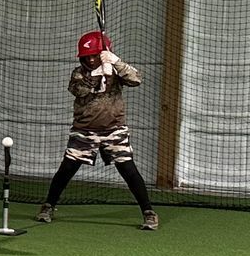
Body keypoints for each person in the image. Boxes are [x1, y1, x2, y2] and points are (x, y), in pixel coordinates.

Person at [36, 31, 159, 230]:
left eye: (95, 55)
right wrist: (98, 74)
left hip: (114, 130)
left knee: (128, 170)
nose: (91, 59)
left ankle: (148, 212)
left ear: (104, 52)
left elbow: (136, 79)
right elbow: (79, 90)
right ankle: (48, 206)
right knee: (67, 169)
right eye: (87, 56)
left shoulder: (115, 69)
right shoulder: (79, 73)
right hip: (85, 130)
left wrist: (115, 62)